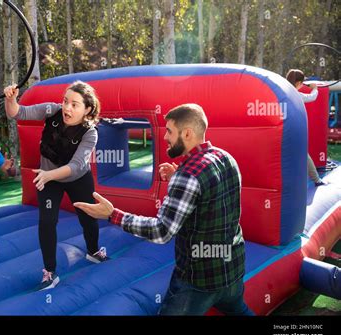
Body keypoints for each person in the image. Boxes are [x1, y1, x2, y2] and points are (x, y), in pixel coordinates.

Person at [74, 104, 254, 316]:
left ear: (187, 133)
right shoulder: (226, 158)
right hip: (233, 267)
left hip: (199, 280)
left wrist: (112, 214)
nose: (165, 137)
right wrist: (179, 174)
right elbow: (211, 193)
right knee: (238, 310)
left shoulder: (188, 176)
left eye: (170, 131)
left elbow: (161, 232)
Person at [4, 81, 109, 291]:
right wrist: (10, 99)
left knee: (88, 217)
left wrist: (49, 174)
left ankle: (93, 251)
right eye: (65, 101)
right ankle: (49, 271)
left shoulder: (90, 133)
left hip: (76, 178)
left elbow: (77, 165)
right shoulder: (52, 111)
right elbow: (18, 113)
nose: (67, 108)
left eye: (75, 104)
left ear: (87, 110)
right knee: (47, 221)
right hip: (48, 178)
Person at [286, 69, 325, 186]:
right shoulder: (295, 94)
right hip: (292, 131)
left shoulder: (282, 90)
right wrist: (315, 88)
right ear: (298, 83)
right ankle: (317, 180)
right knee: (304, 155)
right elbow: (312, 97)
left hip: (281, 131)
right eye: (301, 83)